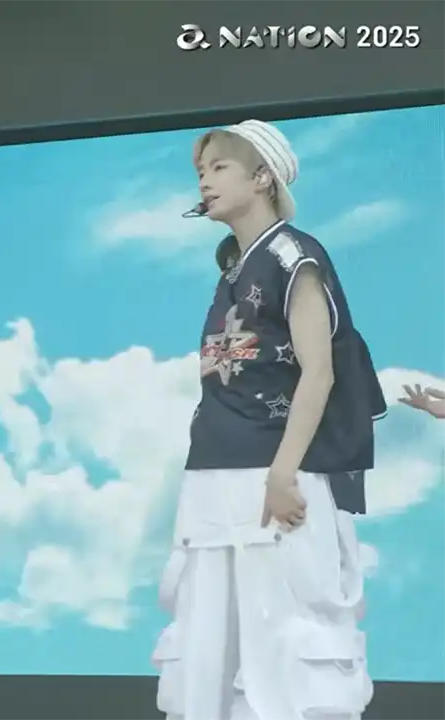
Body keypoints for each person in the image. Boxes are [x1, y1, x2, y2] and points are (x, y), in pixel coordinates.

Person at [153, 119, 383, 720]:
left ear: (262, 177)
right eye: (199, 172)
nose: (204, 182)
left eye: (219, 168)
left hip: (274, 472)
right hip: (213, 473)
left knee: (285, 636)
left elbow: (320, 371)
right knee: (209, 639)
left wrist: (283, 474)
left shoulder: (294, 257)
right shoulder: (231, 268)